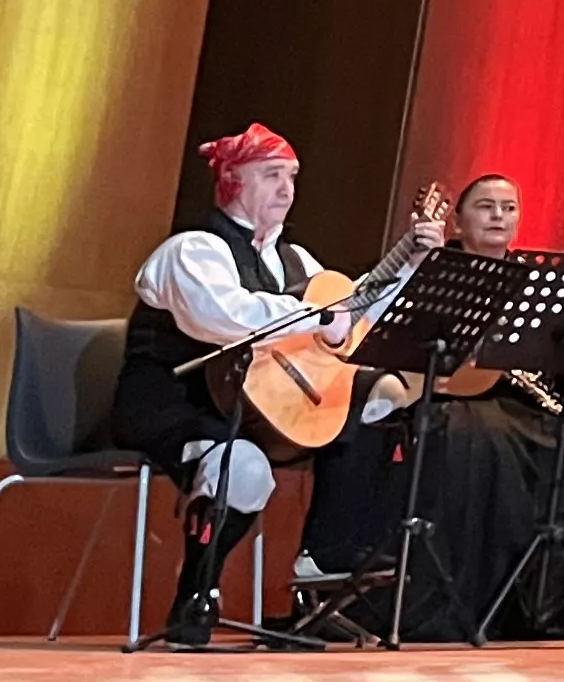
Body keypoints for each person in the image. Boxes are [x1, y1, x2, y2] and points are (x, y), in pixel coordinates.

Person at [110, 125, 440, 648]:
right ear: (233, 182)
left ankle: (326, 560)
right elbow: (222, 317)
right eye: (271, 176)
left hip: (261, 407)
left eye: (291, 177)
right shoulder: (192, 249)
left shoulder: (297, 261)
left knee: (383, 395)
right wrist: (317, 313)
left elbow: (350, 321)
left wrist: (409, 269)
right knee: (242, 468)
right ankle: (196, 593)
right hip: (178, 401)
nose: (286, 189)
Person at [300, 172, 564, 638]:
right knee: (474, 437)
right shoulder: (433, 268)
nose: (498, 216)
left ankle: (535, 606)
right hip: (435, 393)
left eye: (509, 208)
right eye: (485, 206)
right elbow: (372, 327)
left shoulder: (537, 283)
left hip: (508, 399)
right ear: (458, 224)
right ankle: (450, 605)